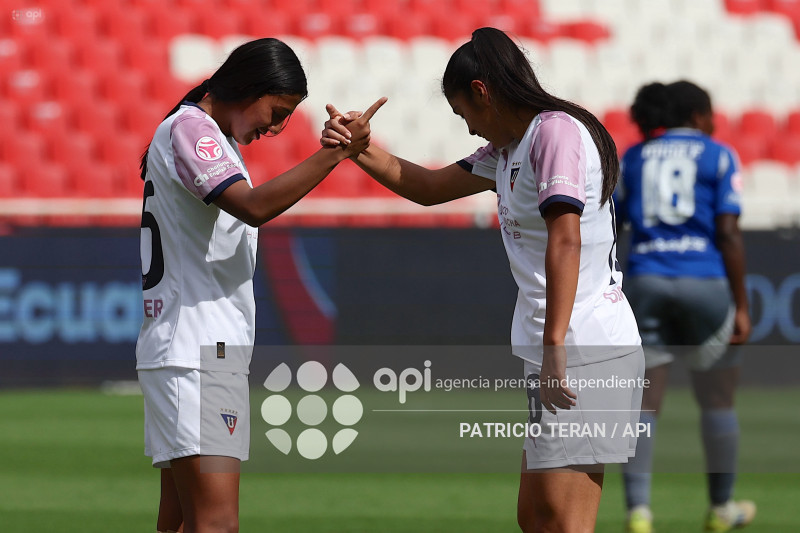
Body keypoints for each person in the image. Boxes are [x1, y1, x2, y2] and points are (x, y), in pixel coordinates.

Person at [322, 27, 644, 533]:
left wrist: (556, 344)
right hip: (555, 343)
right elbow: (426, 187)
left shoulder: (553, 132)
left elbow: (566, 238)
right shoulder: (508, 150)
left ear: (482, 92)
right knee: (535, 517)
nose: (469, 129)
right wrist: (359, 147)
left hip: (585, 343)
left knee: (564, 521)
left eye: (464, 114)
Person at [135, 37, 384, 533]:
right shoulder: (191, 127)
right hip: (197, 348)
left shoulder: (207, 134)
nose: (275, 126)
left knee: (181, 521)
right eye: (277, 110)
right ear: (249, 86)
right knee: (217, 522)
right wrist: (334, 154)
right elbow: (253, 206)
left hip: (203, 349)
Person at [615, 81, 755, 533]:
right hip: (705, 282)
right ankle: (720, 509)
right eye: (711, 114)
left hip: (648, 280)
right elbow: (729, 234)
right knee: (717, 401)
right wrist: (741, 303)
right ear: (697, 116)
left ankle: (639, 512)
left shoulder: (635, 157)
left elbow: (613, 223)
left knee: (642, 406)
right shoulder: (717, 154)